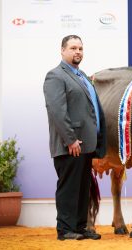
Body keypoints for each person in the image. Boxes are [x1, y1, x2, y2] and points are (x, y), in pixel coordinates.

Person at [43, 35, 107, 241]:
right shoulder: (55, 76)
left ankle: (80, 227)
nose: (77, 52)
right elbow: (57, 111)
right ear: (62, 51)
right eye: (73, 48)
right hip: (70, 145)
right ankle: (65, 230)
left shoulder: (82, 76)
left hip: (86, 145)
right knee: (69, 188)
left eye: (80, 48)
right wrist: (70, 139)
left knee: (82, 189)